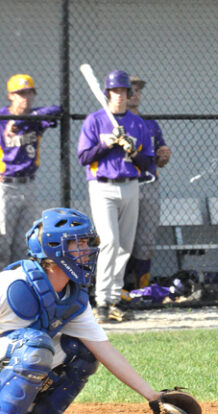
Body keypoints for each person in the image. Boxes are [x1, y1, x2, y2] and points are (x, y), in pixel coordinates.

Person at [0, 208, 175, 414]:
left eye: (86, 242)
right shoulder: (12, 284)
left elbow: (104, 350)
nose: (87, 250)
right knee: (34, 346)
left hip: (12, 357)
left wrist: (153, 396)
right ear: (53, 248)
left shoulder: (72, 296)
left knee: (82, 352)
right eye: (78, 243)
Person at [77, 69, 154, 323]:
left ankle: (113, 300)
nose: (119, 96)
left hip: (131, 184)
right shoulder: (95, 120)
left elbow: (148, 163)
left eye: (123, 92)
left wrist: (132, 151)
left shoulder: (137, 123)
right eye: (115, 92)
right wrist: (106, 144)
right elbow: (84, 158)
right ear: (107, 94)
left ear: (128, 94)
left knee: (124, 246)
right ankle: (100, 301)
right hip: (102, 186)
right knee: (109, 241)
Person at [0, 74, 62, 268]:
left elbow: (57, 110)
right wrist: (12, 121)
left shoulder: (36, 118)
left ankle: (18, 287)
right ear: (10, 96)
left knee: (24, 241)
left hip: (29, 185)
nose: (25, 98)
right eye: (20, 94)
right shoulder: (2, 118)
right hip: (5, 186)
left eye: (29, 93)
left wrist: (23, 120)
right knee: (3, 243)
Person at [124, 75, 172, 291]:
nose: (135, 95)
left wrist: (164, 155)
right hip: (126, 184)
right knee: (123, 241)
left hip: (150, 184)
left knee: (145, 242)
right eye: (131, 90)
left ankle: (141, 288)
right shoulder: (113, 122)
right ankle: (119, 290)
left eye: (138, 91)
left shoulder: (150, 124)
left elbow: (160, 160)